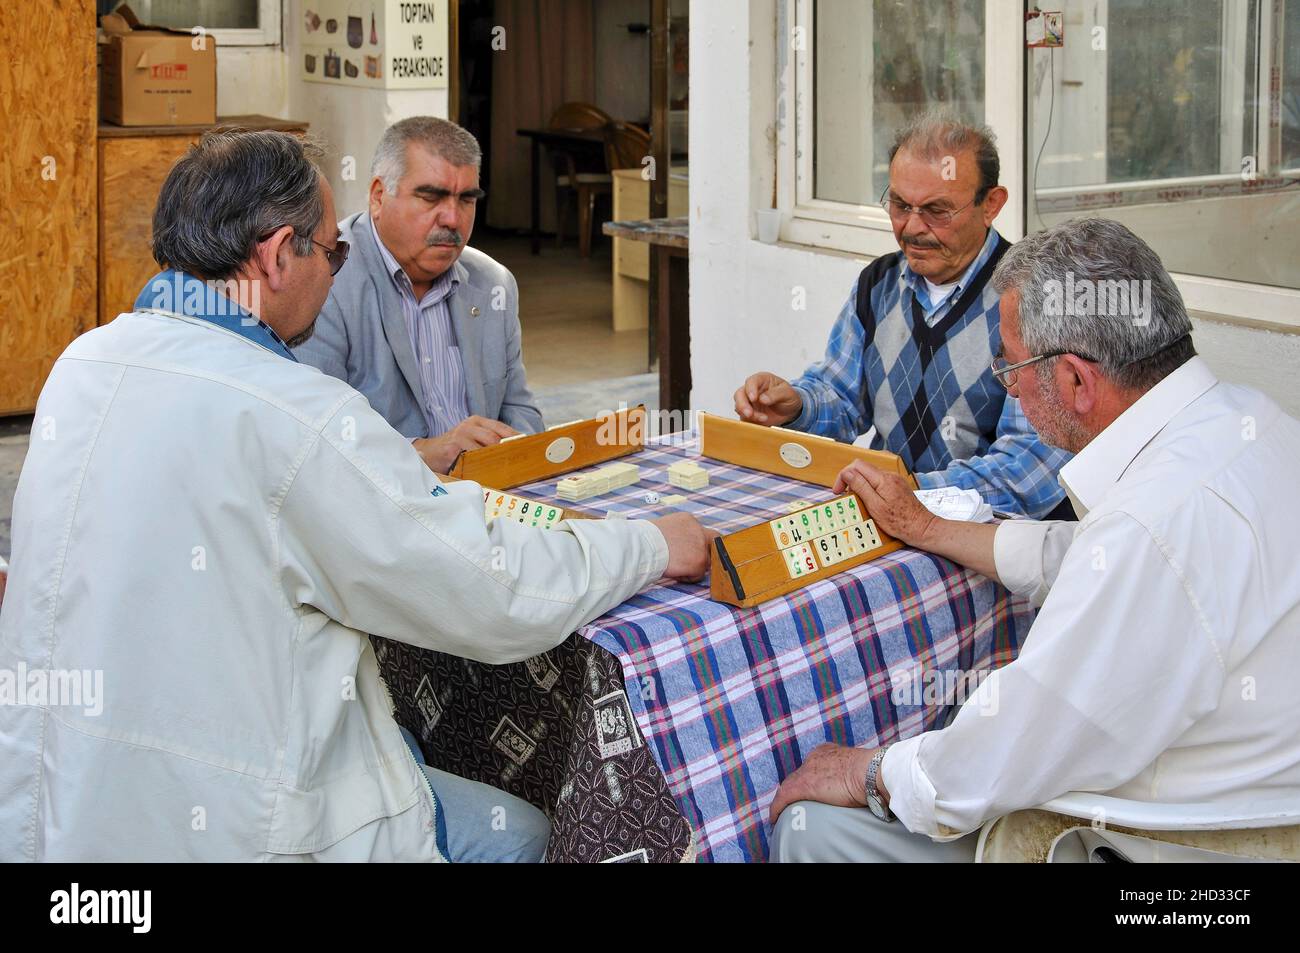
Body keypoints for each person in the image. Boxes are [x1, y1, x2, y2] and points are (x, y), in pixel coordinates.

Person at [0, 130, 713, 863]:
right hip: (240, 815)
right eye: (328, 251)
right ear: (280, 255)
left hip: (63, 800)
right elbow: (489, 587)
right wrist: (652, 542)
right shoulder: (292, 412)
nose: (337, 271)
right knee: (524, 834)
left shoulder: (82, 363)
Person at [768, 217, 1300, 862]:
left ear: (1076, 380)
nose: (1007, 384)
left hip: (1180, 849)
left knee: (814, 826)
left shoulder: (1150, 528)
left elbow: (995, 758)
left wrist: (866, 771)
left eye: (1009, 364)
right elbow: (1094, 560)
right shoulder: (1251, 420)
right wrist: (929, 528)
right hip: (1252, 796)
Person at [734, 111, 1072, 518]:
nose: (911, 227)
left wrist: (910, 493)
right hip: (887, 517)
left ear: (991, 205)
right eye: (899, 204)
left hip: (985, 541)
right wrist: (797, 405)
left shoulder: (1031, 301)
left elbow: (1027, 471)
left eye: (937, 210)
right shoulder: (878, 284)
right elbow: (842, 398)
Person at [295, 116, 542, 474]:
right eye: (431, 197)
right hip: (382, 507)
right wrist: (422, 455)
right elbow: (314, 436)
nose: (453, 220)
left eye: (466, 200)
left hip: (485, 497)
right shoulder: (326, 278)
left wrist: (512, 454)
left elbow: (520, 409)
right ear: (379, 196)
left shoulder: (493, 284)